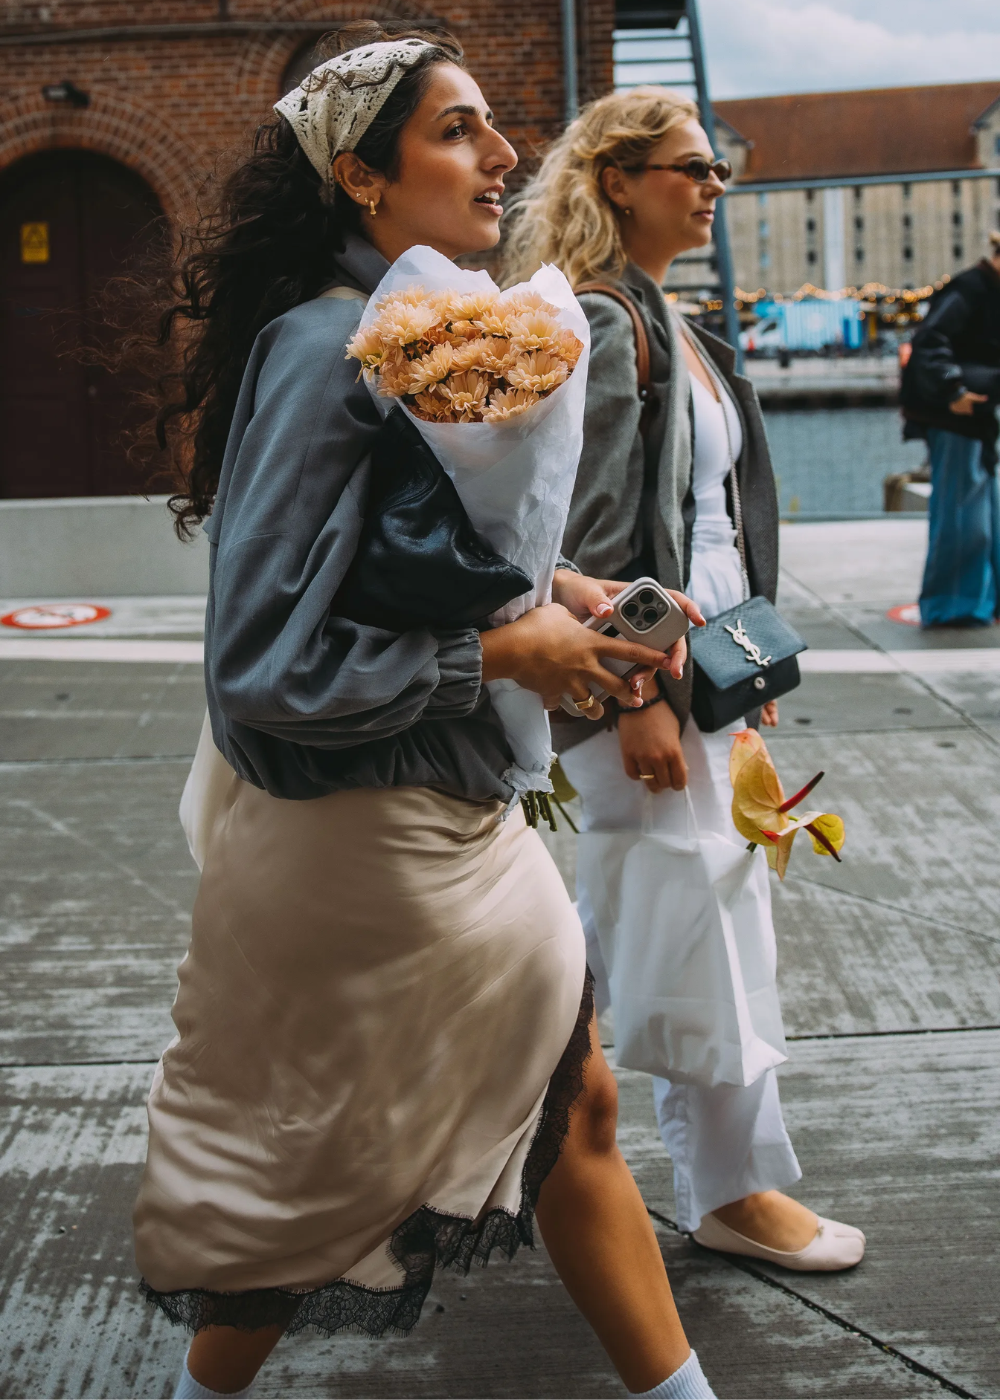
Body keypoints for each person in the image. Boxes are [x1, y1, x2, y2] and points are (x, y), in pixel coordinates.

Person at [131, 28, 718, 1400]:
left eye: (494, 125)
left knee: (554, 1112)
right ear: (360, 177)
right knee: (341, 1163)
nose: (506, 153)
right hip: (368, 836)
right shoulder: (329, 345)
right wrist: (502, 655)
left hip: (447, 811)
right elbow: (260, 666)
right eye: (459, 130)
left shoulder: (416, 326)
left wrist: (569, 586)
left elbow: (399, 555)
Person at [502, 85, 866, 1271]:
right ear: (615, 179)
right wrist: (647, 692)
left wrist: (727, 669)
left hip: (692, 676)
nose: (714, 187)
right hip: (644, 685)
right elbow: (598, 540)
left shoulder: (663, 316)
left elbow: (704, 524)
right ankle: (729, 1188)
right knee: (697, 925)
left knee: (674, 920)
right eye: (690, 168)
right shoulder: (614, 325)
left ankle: (511, 1139)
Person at [902, 231, 1000, 627]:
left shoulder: (982, 287)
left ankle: (977, 600)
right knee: (964, 514)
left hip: (973, 414)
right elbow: (929, 343)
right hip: (958, 414)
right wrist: (953, 389)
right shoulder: (971, 289)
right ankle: (953, 606)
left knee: (982, 511)